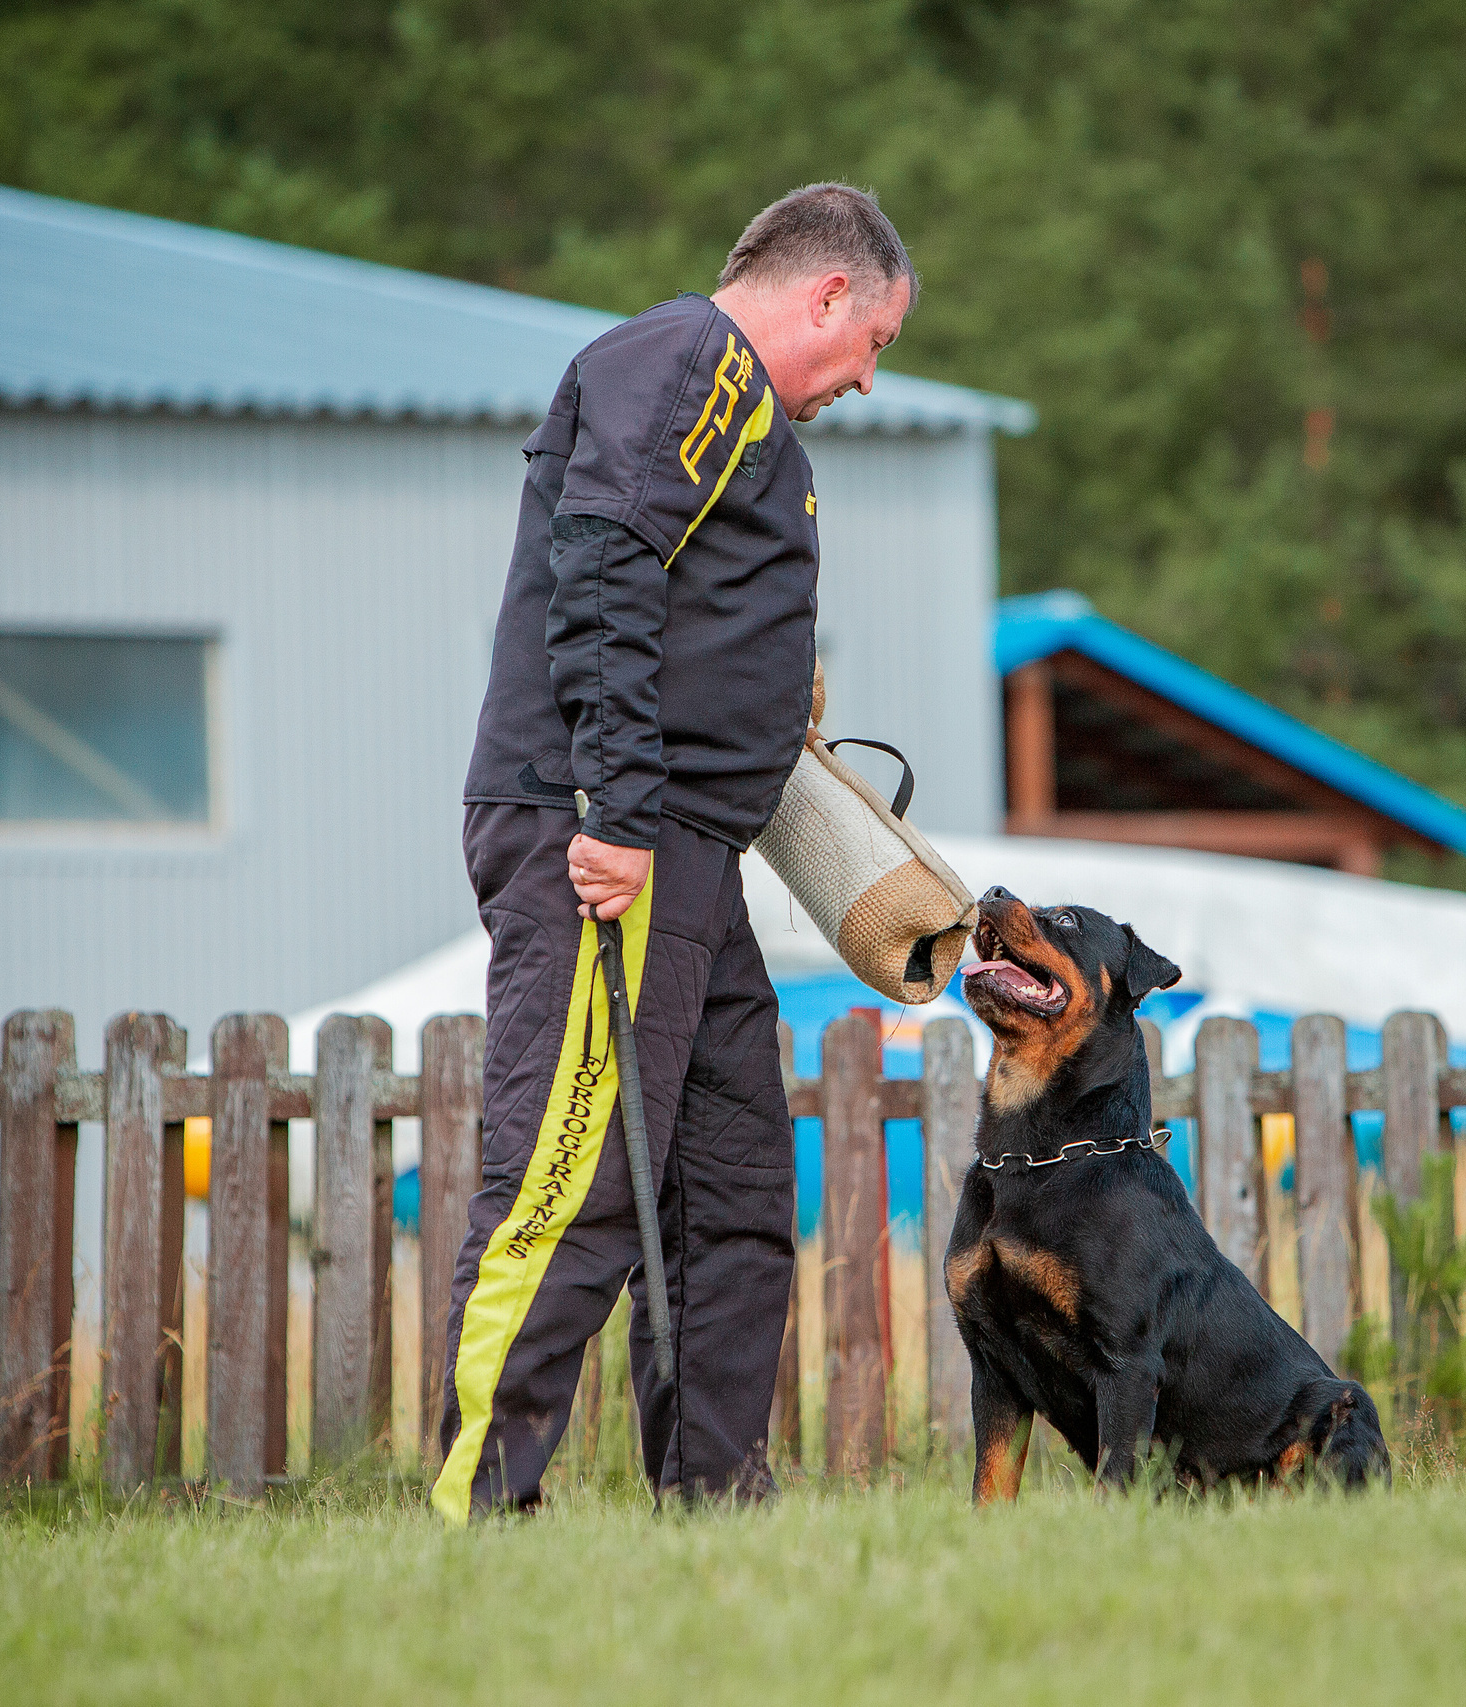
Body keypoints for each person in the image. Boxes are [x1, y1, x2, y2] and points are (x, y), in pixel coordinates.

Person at [437, 184, 917, 1521]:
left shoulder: (732, 407)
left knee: (732, 1182)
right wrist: (616, 814)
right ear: (828, 294)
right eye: (873, 343)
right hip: (611, 840)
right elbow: (603, 570)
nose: (867, 379)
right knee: (569, 1169)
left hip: (688, 856)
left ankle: (715, 1503)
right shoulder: (692, 364)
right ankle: (481, 1508)